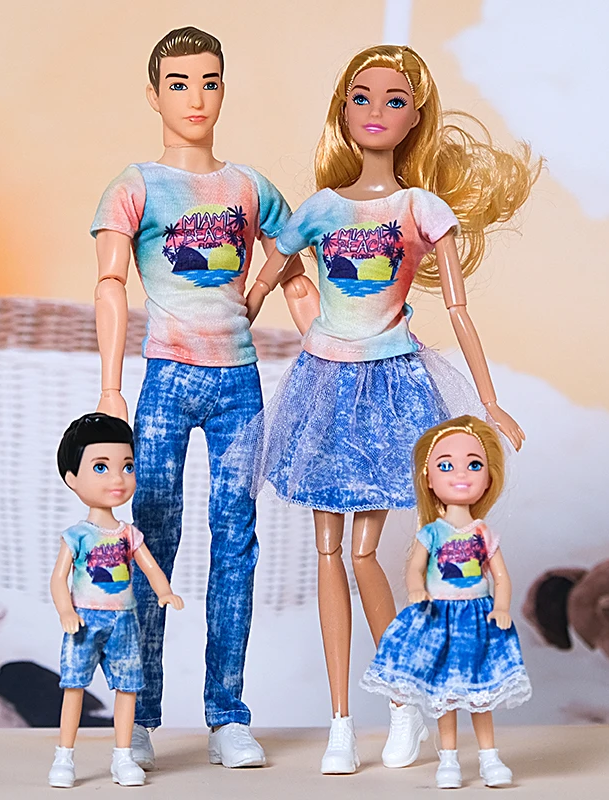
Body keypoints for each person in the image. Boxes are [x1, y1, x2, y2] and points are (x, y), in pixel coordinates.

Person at [237, 44, 540, 773]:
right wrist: (227, 322)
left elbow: (459, 312)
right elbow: (267, 276)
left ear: (415, 118)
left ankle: (403, 701)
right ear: (342, 109)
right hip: (322, 384)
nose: (376, 111)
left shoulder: (420, 208)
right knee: (326, 552)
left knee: (364, 551)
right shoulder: (321, 208)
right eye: (362, 97)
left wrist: (490, 401)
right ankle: (341, 722)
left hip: (390, 382)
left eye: (394, 100)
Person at [91, 26, 301, 769]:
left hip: (240, 382)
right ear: (154, 95)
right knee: (149, 538)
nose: (195, 97)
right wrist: (110, 387)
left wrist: (321, 342)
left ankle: (227, 714)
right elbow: (110, 283)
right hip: (166, 378)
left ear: (224, 90)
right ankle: (138, 713)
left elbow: (295, 264)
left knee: (236, 542)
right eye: (178, 83)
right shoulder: (135, 185)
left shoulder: (249, 186)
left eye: (209, 81)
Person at [361, 416, 531, 788]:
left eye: (474, 464)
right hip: (440, 616)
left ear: (489, 478)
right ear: (428, 478)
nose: (461, 474)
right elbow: (415, 569)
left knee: (481, 693)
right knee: (445, 694)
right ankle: (449, 760)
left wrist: (502, 607)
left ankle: (489, 757)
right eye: (445, 465)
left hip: (478, 618)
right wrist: (416, 590)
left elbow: (500, 577)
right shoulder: (432, 533)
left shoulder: (483, 532)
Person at [48, 413, 184, 788]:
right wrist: (65, 611)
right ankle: (64, 757)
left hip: (124, 620)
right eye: (101, 467)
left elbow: (150, 566)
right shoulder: (77, 535)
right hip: (84, 620)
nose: (117, 479)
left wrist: (164, 591)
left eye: (127, 466)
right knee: (74, 686)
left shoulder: (128, 534)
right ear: (72, 479)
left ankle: (123, 756)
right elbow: (58, 579)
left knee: (128, 687)